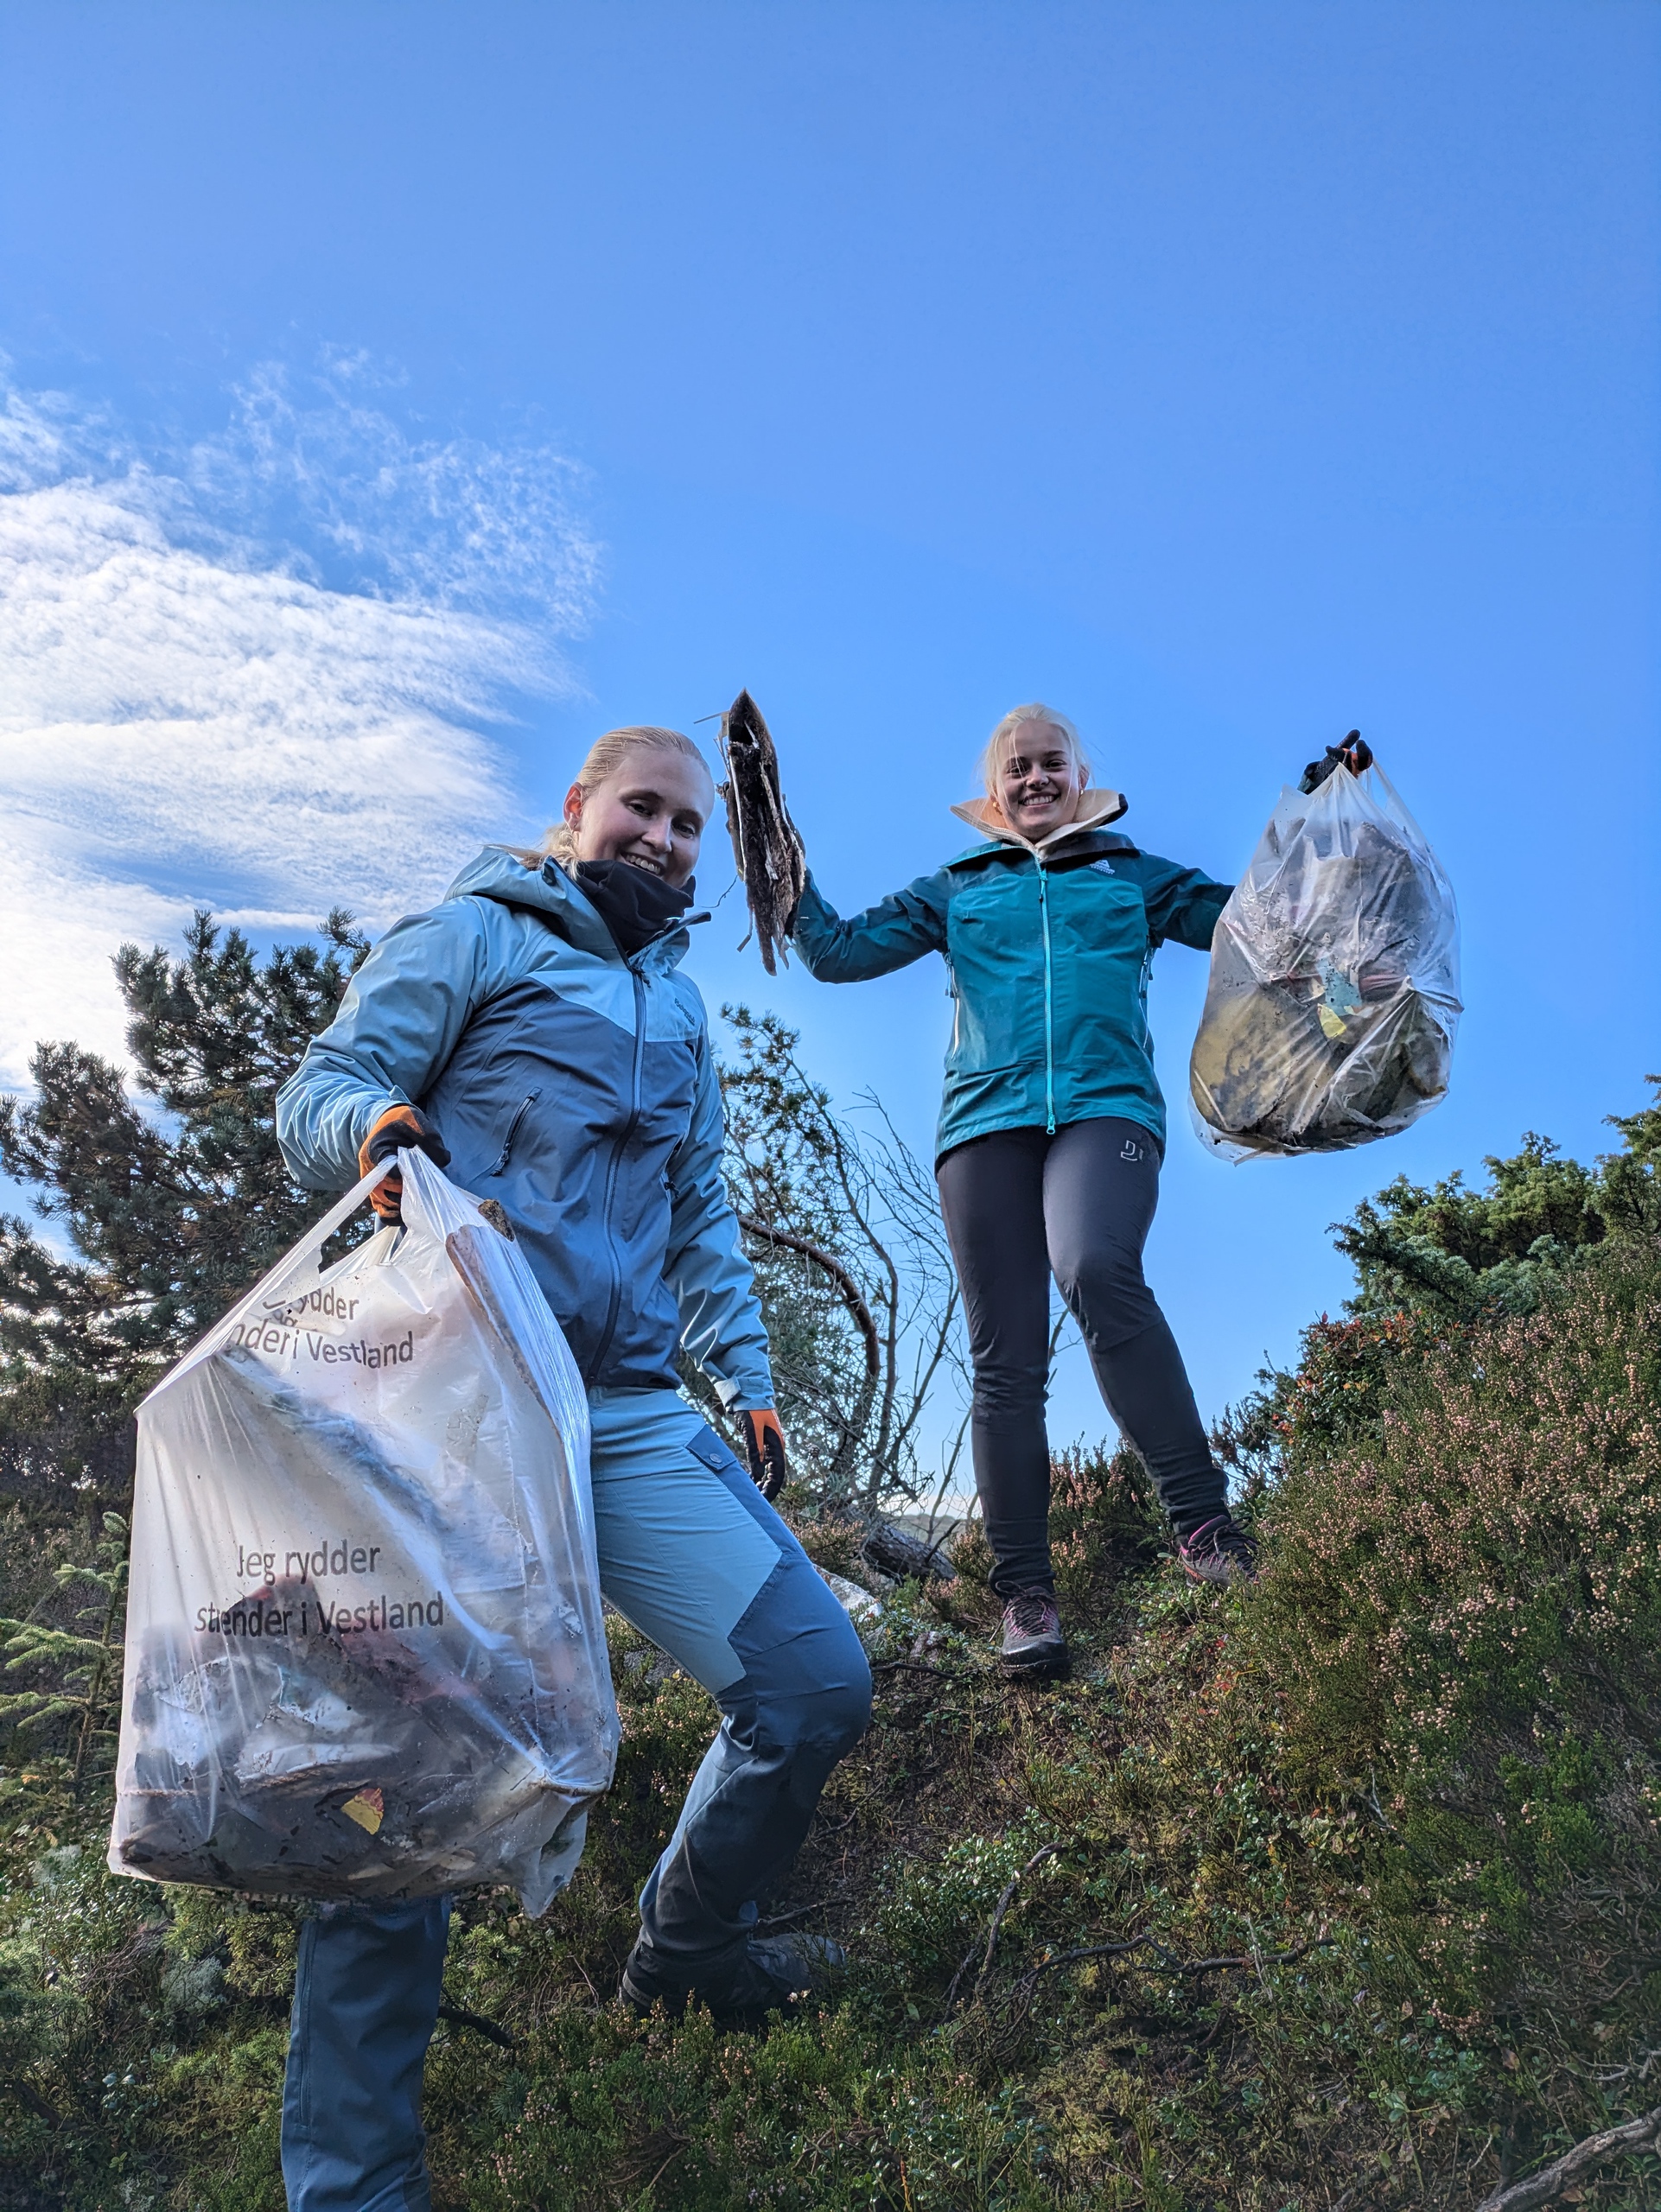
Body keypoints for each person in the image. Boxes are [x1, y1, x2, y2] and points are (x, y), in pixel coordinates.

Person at [275, 724, 871, 2212]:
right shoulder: (475, 934)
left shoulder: (677, 1009)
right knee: (396, 1803)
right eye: (641, 812)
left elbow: (701, 1210)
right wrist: (371, 1126)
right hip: (458, 1408)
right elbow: (323, 1082)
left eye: (685, 827)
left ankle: (682, 1952)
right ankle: (353, 2186)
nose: (665, 841)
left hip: (621, 1414)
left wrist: (747, 1374)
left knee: (810, 1685)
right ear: (575, 814)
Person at [790, 704, 1254, 1683]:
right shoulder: (956, 889)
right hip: (984, 1125)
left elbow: (1253, 927)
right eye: (1017, 768)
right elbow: (835, 951)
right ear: (994, 790)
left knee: (1094, 1265)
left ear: (1080, 776)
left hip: (1104, 1106)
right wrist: (780, 857)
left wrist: (1326, 861)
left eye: (1051, 764)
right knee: (1002, 1357)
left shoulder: (1131, 875)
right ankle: (1025, 1596)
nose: (1034, 779)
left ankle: (1204, 1526)